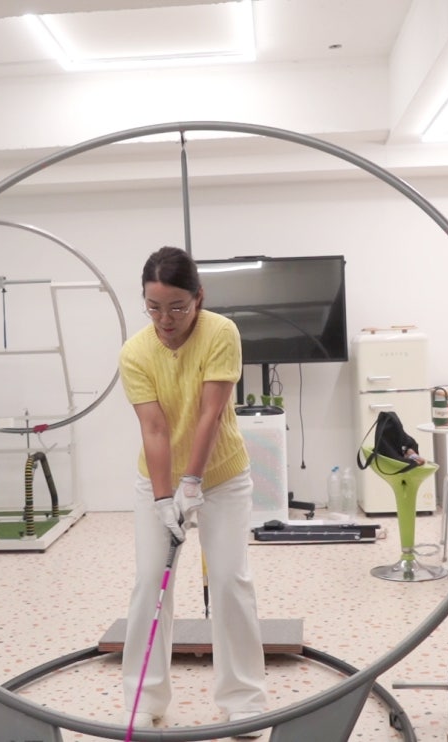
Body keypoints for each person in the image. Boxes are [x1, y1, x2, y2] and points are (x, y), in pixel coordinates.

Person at [119, 246, 267, 734]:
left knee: (228, 579)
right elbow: (155, 429)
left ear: (198, 298)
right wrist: (166, 498)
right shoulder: (135, 352)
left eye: (177, 307)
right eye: (154, 307)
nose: (165, 319)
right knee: (150, 582)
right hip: (157, 480)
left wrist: (193, 481)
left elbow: (210, 413)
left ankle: (244, 698)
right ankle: (144, 698)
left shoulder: (221, 333)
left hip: (221, 475)